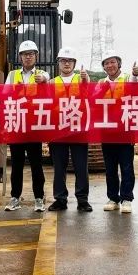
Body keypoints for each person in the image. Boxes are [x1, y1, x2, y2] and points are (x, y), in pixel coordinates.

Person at [5, 40, 49, 212]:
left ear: (36, 56)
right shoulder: (12, 75)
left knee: (36, 164)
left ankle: (39, 197)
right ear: (20, 57)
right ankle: (15, 197)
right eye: (25, 54)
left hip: (33, 126)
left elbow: (48, 82)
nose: (28, 57)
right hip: (17, 125)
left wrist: (43, 80)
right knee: (16, 165)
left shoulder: (41, 74)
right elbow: (4, 95)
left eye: (31, 54)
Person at [48, 47, 91, 212]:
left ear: (74, 63)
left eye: (70, 61)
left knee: (81, 167)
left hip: (78, 130)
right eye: (63, 61)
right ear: (58, 63)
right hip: (58, 131)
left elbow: (89, 96)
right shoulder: (52, 83)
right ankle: (60, 199)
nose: (67, 64)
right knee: (59, 167)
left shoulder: (82, 79)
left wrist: (86, 80)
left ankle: (82, 200)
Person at [98, 50, 138, 213]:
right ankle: (113, 198)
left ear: (119, 64)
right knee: (110, 168)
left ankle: (126, 198)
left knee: (126, 167)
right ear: (104, 67)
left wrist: (135, 75)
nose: (110, 65)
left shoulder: (128, 79)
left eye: (113, 62)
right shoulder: (101, 82)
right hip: (107, 131)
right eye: (106, 63)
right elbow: (94, 100)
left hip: (125, 131)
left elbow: (136, 85)